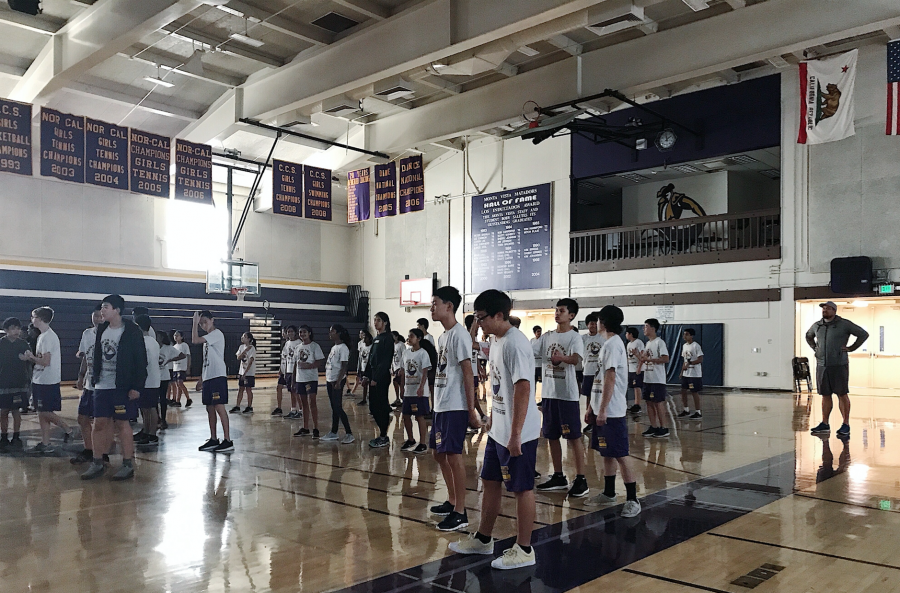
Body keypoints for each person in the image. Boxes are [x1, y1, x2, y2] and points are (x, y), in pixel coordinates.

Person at [449, 289, 539, 570]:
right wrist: (492, 420)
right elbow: (501, 386)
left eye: (481, 318)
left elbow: (524, 388)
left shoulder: (516, 343)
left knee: (522, 488)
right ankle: (484, 539)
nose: (479, 324)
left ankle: (524, 549)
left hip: (518, 433)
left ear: (499, 315)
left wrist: (515, 434)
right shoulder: (497, 341)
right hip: (499, 429)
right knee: (490, 481)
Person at [429, 285, 480, 532]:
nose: (432, 307)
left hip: (455, 405)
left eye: (435, 302)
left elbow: (469, 374)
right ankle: (452, 500)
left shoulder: (460, 335)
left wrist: (471, 409)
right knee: (438, 454)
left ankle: (461, 512)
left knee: (453, 455)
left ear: (449, 306)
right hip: (441, 405)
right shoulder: (443, 337)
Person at [81, 295, 147, 480]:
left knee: (122, 423)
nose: (102, 310)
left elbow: (141, 361)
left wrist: (136, 387)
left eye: (106, 307)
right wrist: (93, 378)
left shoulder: (131, 331)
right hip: (102, 385)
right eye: (102, 307)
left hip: (121, 387)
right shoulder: (102, 329)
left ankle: (127, 463)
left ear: (117, 309)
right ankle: (97, 461)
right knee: (99, 423)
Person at [584, 305, 641, 517]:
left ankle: (633, 499)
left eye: (598, 319)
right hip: (602, 408)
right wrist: (592, 406)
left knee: (620, 454)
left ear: (604, 322)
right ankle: (609, 493)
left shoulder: (613, 345)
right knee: (606, 452)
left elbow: (610, 378)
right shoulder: (608, 344)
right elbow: (599, 378)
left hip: (613, 411)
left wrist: (603, 409)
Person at [533, 298, 588, 498]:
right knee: (551, 436)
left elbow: (576, 359)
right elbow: (532, 352)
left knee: (573, 437)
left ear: (571, 315)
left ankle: (581, 478)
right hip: (549, 394)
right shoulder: (547, 336)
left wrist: (561, 358)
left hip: (567, 395)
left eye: (561, 310)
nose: (557, 313)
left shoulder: (575, 337)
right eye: (556, 310)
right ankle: (558, 475)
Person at [806, 301, 869, 438]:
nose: (824, 310)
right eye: (823, 308)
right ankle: (824, 423)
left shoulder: (844, 324)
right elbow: (808, 335)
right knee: (825, 394)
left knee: (842, 393)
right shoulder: (817, 325)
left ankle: (845, 424)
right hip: (822, 365)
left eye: (828, 308)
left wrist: (851, 348)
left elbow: (863, 334)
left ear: (834, 310)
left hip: (839, 365)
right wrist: (815, 348)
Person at [25, 306, 73, 454]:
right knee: (41, 412)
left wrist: (31, 357)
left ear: (39, 319)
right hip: (40, 379)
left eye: (33, 317)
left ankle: (67, 429)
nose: (32, 320)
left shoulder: (48, 337)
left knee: (44, 411)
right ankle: (46, 443)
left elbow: (45, 361)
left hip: (47, 380)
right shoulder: (42, 336)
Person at [193, 310, 233, 452]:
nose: (203, 325)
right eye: (201, 323)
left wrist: (194, 323)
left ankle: (228, 440)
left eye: (205, 322)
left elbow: (194, 340)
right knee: (209, 408)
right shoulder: (208, 340)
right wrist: (201, 379)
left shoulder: (216, 334)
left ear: (212, 320)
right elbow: (206, 360)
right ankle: (214, 438)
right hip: (208, 377)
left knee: (219, 407)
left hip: (217, 376)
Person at [70, 306, 103, 464]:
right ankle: (89, 449)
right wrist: (81, 376)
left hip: (105, 386)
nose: (97, 319)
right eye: (95, 316)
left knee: (102, 421)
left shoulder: (111, 334)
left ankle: (101, 452)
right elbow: (84, 356)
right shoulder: (87, 334)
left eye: (100, 316)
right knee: (82, 418)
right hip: (90, 384)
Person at [400, 328, 433, 454]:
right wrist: (402, 387)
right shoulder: (406, 353)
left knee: (419, 416)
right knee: (406, 415)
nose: (409, 338)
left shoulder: (423, 353)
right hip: (409, 390)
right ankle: (410, 439)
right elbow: (403, 371)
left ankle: (423, 443)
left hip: (419, 392)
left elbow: (425, 372)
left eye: (412, 336)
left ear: (418, 338)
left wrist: (421, 387)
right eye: (408, 336)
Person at [364, 312, 394, 447]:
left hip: (381, 377)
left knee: (381, 406)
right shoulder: (377, 338)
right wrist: (366, 375)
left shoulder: (388, 338)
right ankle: (382, 434)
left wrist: (376, 378)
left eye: (378, 320)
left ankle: (383, 435)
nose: (375, 323)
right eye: (374, 320)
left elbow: (385, 361)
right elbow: (371, 359)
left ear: (385, 322)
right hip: (373, 377)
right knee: (373, 406)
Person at [0, 317, 29, 452]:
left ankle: (16, 436)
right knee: (3, 411)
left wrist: (28, 358)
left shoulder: (23, 344)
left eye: (18, 328)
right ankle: (4, 436)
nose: (16, 331)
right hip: (4, 382)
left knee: (16, 411)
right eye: (13, 328)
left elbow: (30, 359)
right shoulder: (1, 344)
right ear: (6, 330)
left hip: (19, 382)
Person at [321, 324, 354, 443]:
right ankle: (334, 432)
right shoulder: (334, 347)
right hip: (330, 379)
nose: (330, 334)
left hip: (337, 380)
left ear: (338, 333)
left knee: (338, 407)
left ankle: (349, 433)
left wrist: (339, 381)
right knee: (334, 407)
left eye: (332, 331)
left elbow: (344, 366)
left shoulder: (343, 348)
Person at [639, 318, 670, 439]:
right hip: (648, 378)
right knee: (649, 403)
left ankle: (664, 428)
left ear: (653, 328)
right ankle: (654, 426)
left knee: (658, 403)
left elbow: (665, 358)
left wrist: (649, 360)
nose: (644, 329)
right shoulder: (648, 343)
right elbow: (644, 359)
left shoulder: (659, 342)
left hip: (657, 379)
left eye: (646, 326)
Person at [133, 315, 161, 446]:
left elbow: (144, 362)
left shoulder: (145, 342)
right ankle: (146, 430)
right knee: (145, 408)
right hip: (149, 379)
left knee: (150, 408)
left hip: (149, 379)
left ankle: (152, 434)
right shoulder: (151, 341)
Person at [292, 325, 323, 438]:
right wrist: (293, 380)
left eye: (304, 332)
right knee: (304, 404)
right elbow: (296, 364)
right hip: (300, 379)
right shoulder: (298, 347)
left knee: (312, 402)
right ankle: (305, 427)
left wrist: (309, 366)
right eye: (300, 332)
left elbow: (320, 361)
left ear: (309, 333)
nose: (302, 334)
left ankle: (316, 428)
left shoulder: (314, 346)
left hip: (311, 378)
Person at [581, 312, 606, 434]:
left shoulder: (602, 338)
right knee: (588, 397)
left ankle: (600, 419)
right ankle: (589, 421)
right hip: (587, 372)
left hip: (600, 373)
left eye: (594, 323)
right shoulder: (583, 338)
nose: (592, 326)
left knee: (599, 396)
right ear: (587, 325)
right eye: (590, 324)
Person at [156, 330, 183, 431]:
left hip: (164, 376)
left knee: (163, 399)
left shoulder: (168, 348)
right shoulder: (154, 346)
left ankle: (163, 419)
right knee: (155, 399)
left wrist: (170, 360)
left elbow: (182, 355)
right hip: (154, 376)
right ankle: (157, 418)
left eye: (158, 336)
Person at [678, 328, 704, 419]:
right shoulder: (684, 346)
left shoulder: (696, 346)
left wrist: (690, 363)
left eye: (687, 334)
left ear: (691, 336)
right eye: (684, 334)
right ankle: (686, 410)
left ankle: (698, 412)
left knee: (694, 392)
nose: (684, 336)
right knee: (683, 391)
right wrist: (682, 372)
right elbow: (684, 361)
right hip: (686, 374)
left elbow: (700, 359)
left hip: (694, 374)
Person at [232, 332, 256, 414]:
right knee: (240, 389)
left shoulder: (252, 348)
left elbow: (251, 362)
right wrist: (245, 351)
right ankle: (237, 406)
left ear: (249, 339)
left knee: (248, 389)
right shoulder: (241, 347)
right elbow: (238, 357)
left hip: (249, 373)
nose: (242, 338)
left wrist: (245, 373)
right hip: (242, 372)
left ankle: (249, 406)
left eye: (244, 337)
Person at [282, 326, 302, 419]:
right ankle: (293, 409)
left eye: (291, 331)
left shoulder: (299, 343)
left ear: (295, 332)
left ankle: (301, 410)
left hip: (296, 371)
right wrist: (285, 371)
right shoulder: (287, 343)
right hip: (289, 370)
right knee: (292, 391)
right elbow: (285, 358)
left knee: (297, 391)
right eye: (288, 332)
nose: (290, 333)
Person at [170, 330, 192, 408]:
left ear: (181, 337)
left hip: (182, 367)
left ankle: (188, 398)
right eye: (175, 335)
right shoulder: (174, 347)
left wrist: (188, 367)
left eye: (177, 335)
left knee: (180, 383)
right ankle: (178, 401)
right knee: (177, 384)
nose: (175, 337)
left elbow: (188, 356)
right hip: (175, 367)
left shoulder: (184, 345)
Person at [625, 328, 644, 415]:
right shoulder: (629, 344)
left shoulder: (638, 342)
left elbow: (642, 356)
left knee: (637, 387)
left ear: (631, 334)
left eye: (627, 333)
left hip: (637, 368)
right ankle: (634, 404)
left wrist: (639, 367)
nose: (626, 335)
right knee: (633, 387)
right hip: (631, 368)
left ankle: (638, 405)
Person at [352, 329, 372, 406]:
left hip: (369, 367)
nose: (363, 338)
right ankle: (364, 399)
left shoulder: (371, 347)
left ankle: (370, 399)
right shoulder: (361, 345)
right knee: (364, 384)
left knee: (369, 383)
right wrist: (359, 367)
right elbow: (360, 357)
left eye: (365, 337)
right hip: (363, 367)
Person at [274, 327, 288, 416]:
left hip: (290, 371)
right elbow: (283, 358)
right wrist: (280, 368)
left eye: (284, 332)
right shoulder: (284, 344)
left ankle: (299, 409)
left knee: (294, 391)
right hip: (283, 370)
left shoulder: (295, 344)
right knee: (279, 387)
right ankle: (279, 407)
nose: (283, 334)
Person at [390, 331, 405, 408]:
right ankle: (398, 398)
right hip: (395, 366)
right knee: (396, 382)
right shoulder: (392, 345)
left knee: (398, 382)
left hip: (400, 367)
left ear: (396, 336)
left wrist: (402, 368)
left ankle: (402, 399)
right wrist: (392, 367)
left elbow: (404, 356)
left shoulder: (401, 345)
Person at [531, 325, 543, 394]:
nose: (539, 333)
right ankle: (533, 397)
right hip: (534, 364)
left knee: (543, 382)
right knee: (533, 382)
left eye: (540, 331)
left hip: (541, 364)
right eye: (538, 331)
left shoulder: (542, 340)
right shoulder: (532, 340)